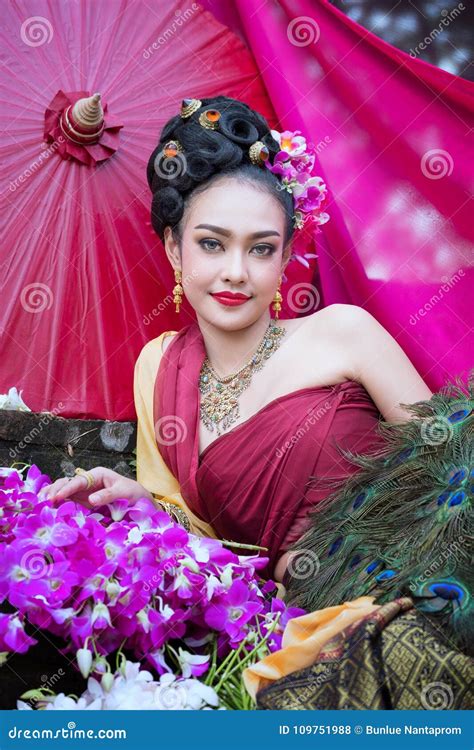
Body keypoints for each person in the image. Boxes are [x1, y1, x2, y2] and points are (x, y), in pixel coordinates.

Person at [41, 95, 432, 584]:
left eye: (261, 249)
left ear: (286, 257)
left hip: (413, 585)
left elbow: (451, 462)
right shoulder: (159, 366)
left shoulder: (343, 332)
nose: (235, 273)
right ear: (173, 249)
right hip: (275, 628)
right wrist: (143, 505)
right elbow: (200, 543)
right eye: (211, 243)